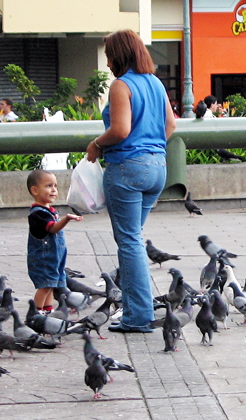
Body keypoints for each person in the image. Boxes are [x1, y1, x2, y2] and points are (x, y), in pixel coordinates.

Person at [86, 29, 176, 333]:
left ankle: (138, 316)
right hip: (158, 167)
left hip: (126, 168)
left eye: (109, 55)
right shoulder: (156, 83)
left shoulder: (121, 86)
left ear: (119, 56)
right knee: (134, 238)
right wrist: (149, 147)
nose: (108, 62)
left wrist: (97, 144)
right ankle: (140, 310)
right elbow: (171, 124)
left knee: (129, 241)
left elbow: (120, 130)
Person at [27, 169, 83, 314]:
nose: (54, 190)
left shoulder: (49, 210)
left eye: (55, 186)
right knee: (45, 286)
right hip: (43, 259)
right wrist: (67, 218)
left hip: (54, 258)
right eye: (48, 186)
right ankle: (36, 314)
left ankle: (48, 311)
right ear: (35, 190)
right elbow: (53, 228)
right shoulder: (38, 213)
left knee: (51, 285)